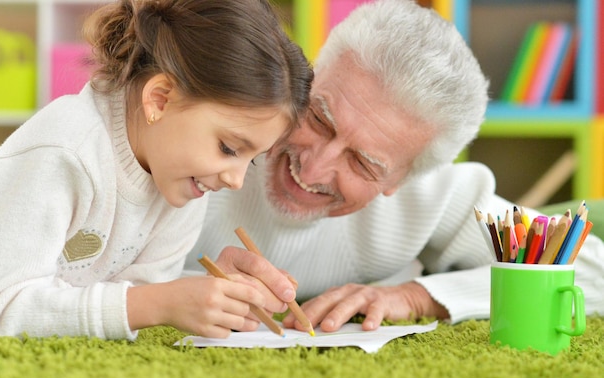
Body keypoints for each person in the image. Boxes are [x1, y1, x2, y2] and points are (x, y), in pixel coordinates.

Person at [184, 0, 604, 332]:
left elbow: (591, 270)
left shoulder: (433, 195)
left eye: (363, 164)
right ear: (310, 75)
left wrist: (416, 296)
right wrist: (187, 286)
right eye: (318, 118)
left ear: (404, 180)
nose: (312, 169)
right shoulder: (208, 135)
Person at [0, 0, 313, 339]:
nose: (236, 180)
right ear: (160, 100)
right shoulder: (62, 151)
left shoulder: (182, 181)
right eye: (228, 148)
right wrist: (160, 303)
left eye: (251, 158)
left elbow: (138, 294)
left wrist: (209, 293)